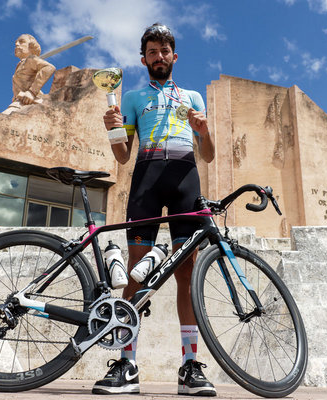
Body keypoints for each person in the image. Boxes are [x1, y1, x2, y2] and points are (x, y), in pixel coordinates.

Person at [92, 23, 216, 396]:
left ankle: (190, 367)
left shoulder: (193, 96)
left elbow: (208, 154)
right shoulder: (130, 98)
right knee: (135, 272)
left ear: (174, 56)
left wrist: (204, 130)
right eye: (152, 51)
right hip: (146, 174)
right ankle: (127, 364)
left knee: (188, 272)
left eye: (164, 51)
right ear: (143, 58)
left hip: (185, 178)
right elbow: (122, 155)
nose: (158, 57)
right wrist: (113, 129)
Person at [2, 34, 56, 115]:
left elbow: (49, 68)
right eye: (16, 43)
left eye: (22, 42)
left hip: (29, 101)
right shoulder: (20, 65)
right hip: (19, 102)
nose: (17, 44)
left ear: (31, 46)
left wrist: (32, 92)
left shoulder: (31, 59)